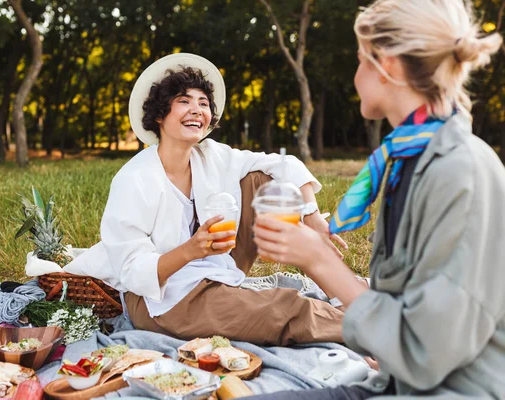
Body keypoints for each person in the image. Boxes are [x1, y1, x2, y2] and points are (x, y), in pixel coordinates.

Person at [250, 0, 505, 398]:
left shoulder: (460, 172)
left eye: (360, 61)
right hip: (397, 380)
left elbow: (426, 353)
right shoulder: (409, 160)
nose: (355, 75)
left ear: (386, 65)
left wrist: (319, 258)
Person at [98, 53, 347, 346]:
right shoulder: (134, 178)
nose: (196, 110)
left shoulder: (211, 156)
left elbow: (284, 165)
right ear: (159, 115)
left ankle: (341, 292)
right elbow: (132, 273)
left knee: (262, 182)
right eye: (184, 101)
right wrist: (191, 250)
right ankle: (370, 329)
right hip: (164, 300)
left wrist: (310, 214)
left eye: (203, 103)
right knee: (284, 309)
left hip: (217, 269)